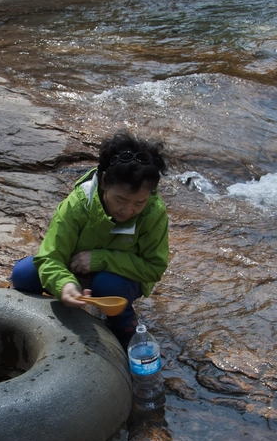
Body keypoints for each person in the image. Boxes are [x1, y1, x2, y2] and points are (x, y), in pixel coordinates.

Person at [11, 131, 169, 347]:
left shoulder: (153, 212)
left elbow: (153, 268)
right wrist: (64, 284)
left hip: (118, 278)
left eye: (138, 203)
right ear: (104, 182)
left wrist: (100, 259)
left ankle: (123, 322)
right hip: (74, 268)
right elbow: (49, 257)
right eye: (120, 199)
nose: (128, 210)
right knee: (24, 274)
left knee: (108, 283)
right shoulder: (78, 204)